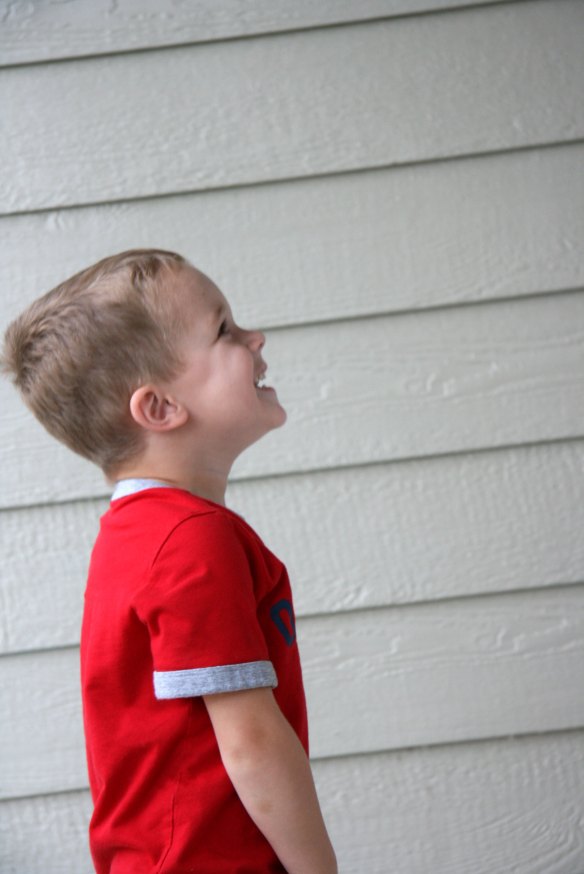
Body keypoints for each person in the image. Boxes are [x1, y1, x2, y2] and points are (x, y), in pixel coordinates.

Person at [2, 249, 337, 874]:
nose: (255, 338)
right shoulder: (190, 541)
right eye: (224, 329)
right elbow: (252, 743)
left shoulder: (136, 535)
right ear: (160, 408)